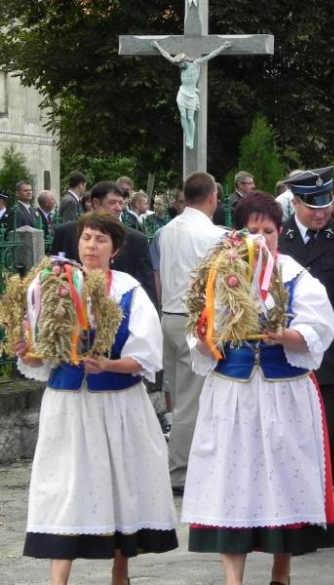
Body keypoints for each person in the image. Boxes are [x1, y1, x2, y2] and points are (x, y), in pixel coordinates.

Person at [14, 210, 177, 584]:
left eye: (100, 239)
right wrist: (25, 349)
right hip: (68, 404)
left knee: (121, 484)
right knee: (65, 486)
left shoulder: (128, 292)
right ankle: (59, 579)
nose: (91, 245)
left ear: (115, 249)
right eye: (86, 237)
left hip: (116, 405)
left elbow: (146, 357)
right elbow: (41, 353)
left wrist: (109, 365)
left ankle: (121, 573)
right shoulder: (53, 284)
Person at [181, 191, 334, 585]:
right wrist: (203, 339)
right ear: (239, 233)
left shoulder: (296, 275)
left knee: (281, 481)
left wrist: (287, 336)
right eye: (252, 230)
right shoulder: (221, 275)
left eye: (268, 230)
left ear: (279, 233)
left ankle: (280, 572)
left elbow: (319, 331)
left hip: (281, 393)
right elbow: (201, 332)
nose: (260, 238)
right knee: (229, 482)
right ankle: (234, 580)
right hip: (232, 394)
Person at [278, 166, 334, 547]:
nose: (320, 212)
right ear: (295, 203)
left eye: (325, 204)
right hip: (287, 356)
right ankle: (300, 515)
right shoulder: (277, 242)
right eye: (311, 206)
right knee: (294, 439)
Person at [158, 172, 226, 495]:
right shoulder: (211, 235)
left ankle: (179, 462)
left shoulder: (166, 230)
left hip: (169, 316)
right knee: (190, 402)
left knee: (177, 399)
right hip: (193, 320)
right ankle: (179, 471)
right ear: (212, 197)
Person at [51, 181, 158, 306]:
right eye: (112, 202)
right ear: (96, 203)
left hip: (119, 314)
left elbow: (148, 291)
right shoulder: (65, 233)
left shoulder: (136, 240)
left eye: (120, 202)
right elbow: (53, 276)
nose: (118, 208)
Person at [151, 39, 231, 149]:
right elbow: (167, 56)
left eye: (179, 63)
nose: (179, 66)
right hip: (182, 93)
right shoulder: (181, 66)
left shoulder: (196, 63)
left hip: (191, 94)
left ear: (184, 60)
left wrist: (223, 46)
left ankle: (191, 139)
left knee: (190, 117)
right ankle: (188, 137)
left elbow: (212, 54)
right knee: (183, 116)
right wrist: (157, 46)